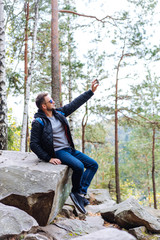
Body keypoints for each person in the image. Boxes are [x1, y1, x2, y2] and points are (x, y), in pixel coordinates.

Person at [30, 79, 99, 214]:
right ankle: (76, 193)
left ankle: (80, 193)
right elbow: (33, 144)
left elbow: (75, 104)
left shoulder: (59, 113)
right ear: (44, 106)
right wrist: (48, 158)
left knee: (93, 165)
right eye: (50, 101)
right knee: (78, 166)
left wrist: (90, 92)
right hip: (58, 152)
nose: (53, 102)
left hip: (69, 149)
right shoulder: (38, 122)